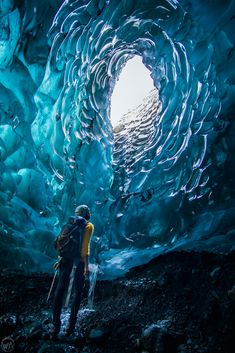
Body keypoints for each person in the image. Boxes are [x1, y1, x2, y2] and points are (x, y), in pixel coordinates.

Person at [50, 205, 94, 339]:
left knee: (60, 289)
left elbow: (61, 241)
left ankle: (55, 327)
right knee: (77, 291)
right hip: (79, 262)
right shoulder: (88, 226)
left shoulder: (69, 223)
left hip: (65, 258)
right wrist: (86, 266)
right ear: (87, 214)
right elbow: (85, 248)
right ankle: (70, 326)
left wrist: (59, 259)